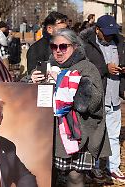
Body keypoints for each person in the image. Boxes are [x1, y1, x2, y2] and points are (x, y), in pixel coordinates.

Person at [31, 28, 111, 186]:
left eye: (63, 46)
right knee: (48, 176)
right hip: (49, 134)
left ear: (75, 46)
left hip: (78, 134)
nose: (58, 51)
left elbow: (92, 102)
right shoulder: (47, 68)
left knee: (75, 178)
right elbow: (29, 102)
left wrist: (63, 80)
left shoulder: (86, 68)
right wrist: (31, 81)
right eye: (54, 47)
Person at [81, 15, 125, 183]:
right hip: (96, 98)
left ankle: (113, 168)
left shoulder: (120, 43)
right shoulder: (87, 46)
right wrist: (105, 69)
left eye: (112, 33)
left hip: (114, 98)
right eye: (106, 33)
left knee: (114, 135)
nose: (109, 36)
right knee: (96, 136)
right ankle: (95, 167)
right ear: (97, 30)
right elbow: (85, 69)